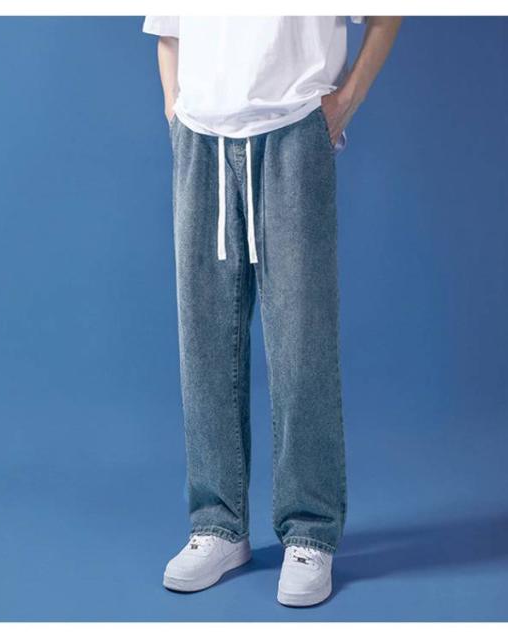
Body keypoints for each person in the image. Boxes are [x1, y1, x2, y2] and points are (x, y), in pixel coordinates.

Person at [142, 15, 402, 607]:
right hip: (201, 139)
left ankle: (310, 532)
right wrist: (174, 111)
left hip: (292, 130)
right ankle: (217, 525)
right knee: (205, 341)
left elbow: (389, 13)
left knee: (301, 340)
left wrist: (346, 100)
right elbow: (168, 28)